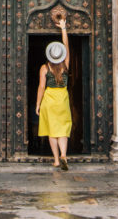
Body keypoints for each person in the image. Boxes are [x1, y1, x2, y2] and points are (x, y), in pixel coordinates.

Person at [36, 17, 71, 170]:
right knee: (62, 129)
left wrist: (38, 104)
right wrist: (64, 29)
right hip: (62, 98)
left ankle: (57, 160)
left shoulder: (44, 68)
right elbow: (66, 47)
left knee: (52, 131)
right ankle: (64, 154)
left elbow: (41, 87)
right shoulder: (65, 65)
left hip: (49, 99)